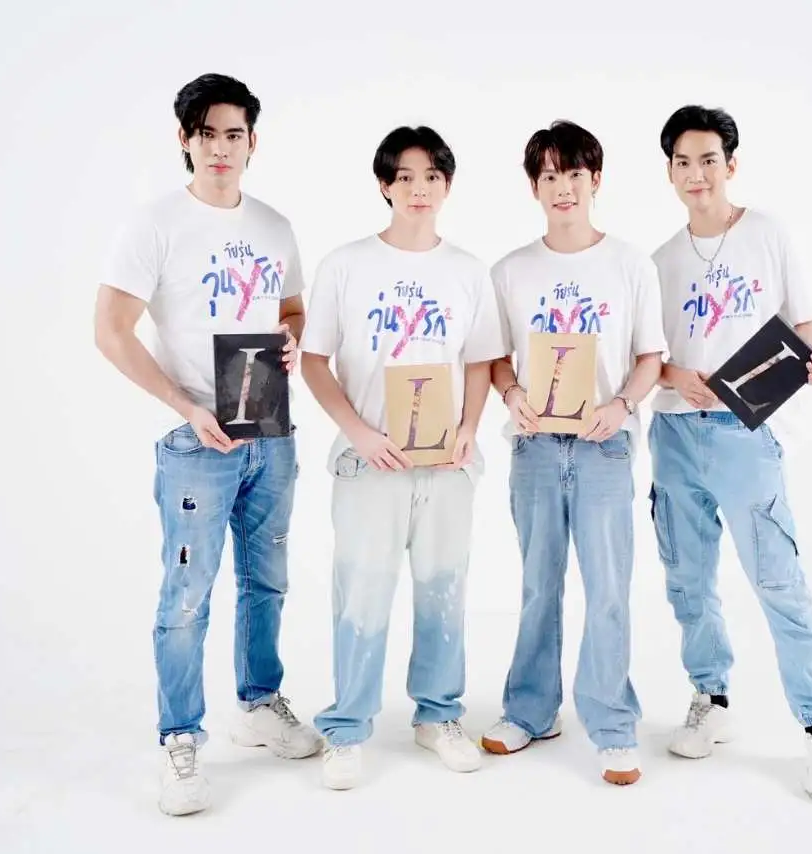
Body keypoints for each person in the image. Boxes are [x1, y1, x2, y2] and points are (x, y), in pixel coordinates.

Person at [94, 73, 322, 817]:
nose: (221, 148)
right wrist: (184, 405)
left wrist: (290, 339)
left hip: (270, 431)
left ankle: (258, 703)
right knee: (187, 596)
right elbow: (110, 331)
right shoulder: (155, 225)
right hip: (197, 441)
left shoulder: (275, 226)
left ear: (253, 142)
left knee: (268, 581)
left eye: (234, 134)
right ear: (185, 140)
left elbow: (292, 309)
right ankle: (180, 737)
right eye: (207, 134)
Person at [647, 103, 812, 800]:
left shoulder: (767, 234)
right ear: (670, 172)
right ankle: (711, 699)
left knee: (777, 580)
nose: (696, 174)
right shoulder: (660, 261)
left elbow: (807, 326)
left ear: (730, 165)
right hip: (676, 433)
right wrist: (678, 379)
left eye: (709, 160)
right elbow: (648, 360)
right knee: (688, 579)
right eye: (683, 162)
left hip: (746, 434)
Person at [299, 125, 506, 790]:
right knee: (361, 592)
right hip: (370, 463)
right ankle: (346, 728)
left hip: (446, 465)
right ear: (384, 185)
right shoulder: (346, 265)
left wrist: (469, 428)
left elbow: (479, 361)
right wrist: (358, 431)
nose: (420, 189)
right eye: (406, 177)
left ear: (448, 185)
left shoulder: (467, 270)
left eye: (432, 176)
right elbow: (313, 360)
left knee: (444, 590)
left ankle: (438, 716)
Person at [481, 120, 667, 786]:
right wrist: (511, 396)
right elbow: (495, 358)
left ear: (597, 180)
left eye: (575, 174)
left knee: (608, 589)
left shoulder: (630, 265)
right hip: (535, 447)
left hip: (603, 448)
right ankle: (530, 711)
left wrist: (621, 408)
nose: (564, 187)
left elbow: (650, 357)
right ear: (535, 186)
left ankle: (613, 725)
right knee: (539, 584)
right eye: (550, 175)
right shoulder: (510, 271)